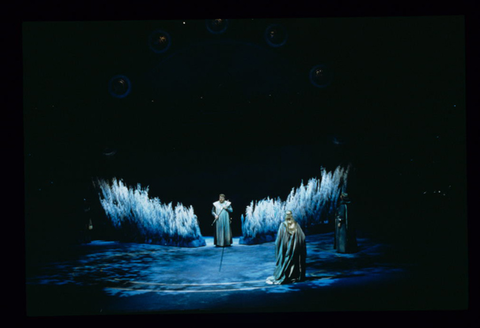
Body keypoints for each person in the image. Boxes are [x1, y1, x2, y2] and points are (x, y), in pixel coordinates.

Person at [266, 210, 306, 284]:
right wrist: (297, 244)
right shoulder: (296, 225)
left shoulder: (283, 225)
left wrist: (279, 246)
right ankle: (294, 275)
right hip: (295, 249)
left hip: (285, 248)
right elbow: (302, 237)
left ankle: (287, 275)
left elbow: (279, 239)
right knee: (294, 261)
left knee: (285, 259)